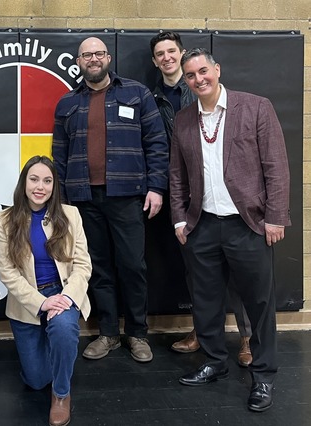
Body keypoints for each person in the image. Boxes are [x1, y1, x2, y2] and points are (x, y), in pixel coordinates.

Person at [170, 47, 290, 412]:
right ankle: (213, 362)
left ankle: (264, 376)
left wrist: (275, 216)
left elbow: (276, 167)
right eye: (190, 76)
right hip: (201, 224)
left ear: (217, 69)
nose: (198, 80)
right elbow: (176, 174)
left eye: (203, 71)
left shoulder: (255, 107)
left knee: (259, 303)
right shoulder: (183, 119)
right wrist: (178, 218)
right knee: (205, 301)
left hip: (248, 223)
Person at [52, 37, 168, 363]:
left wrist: (156, 187)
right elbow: (58, 156)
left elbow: (157, 144)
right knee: (98, 269)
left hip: (128, 196)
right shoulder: (67, 103)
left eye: (98, 53)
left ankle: (138, 334)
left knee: (132, 266)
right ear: (79, 61)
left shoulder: (136, 93)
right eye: (87, 55)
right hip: (83, 199)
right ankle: (108, 334)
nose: (93, 59)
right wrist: (59, 200)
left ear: (108, 57)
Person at [149, 31, 253, 366]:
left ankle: (248, 338)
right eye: (160, 53)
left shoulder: (202, 92)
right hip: (185, 196)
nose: (167, 57)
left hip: (226, 199)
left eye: (172, 51)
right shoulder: (151, 97)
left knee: (238, 275)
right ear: (154, 61)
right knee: (199, 274)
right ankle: (203, 331)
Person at [0, 155, 92, 426]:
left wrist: (66, 298)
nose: (40, 186)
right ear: (24, 183)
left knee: (62, 329)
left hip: (62, 294)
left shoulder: (70, 215)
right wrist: (42, 303)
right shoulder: (3, 220)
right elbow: (8, 273)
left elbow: (83, 266)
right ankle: (57, 352)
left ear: (54, 185)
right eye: (34, 179)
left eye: (47, 181)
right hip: (27, 302)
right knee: (36, 381)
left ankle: (61, 394)